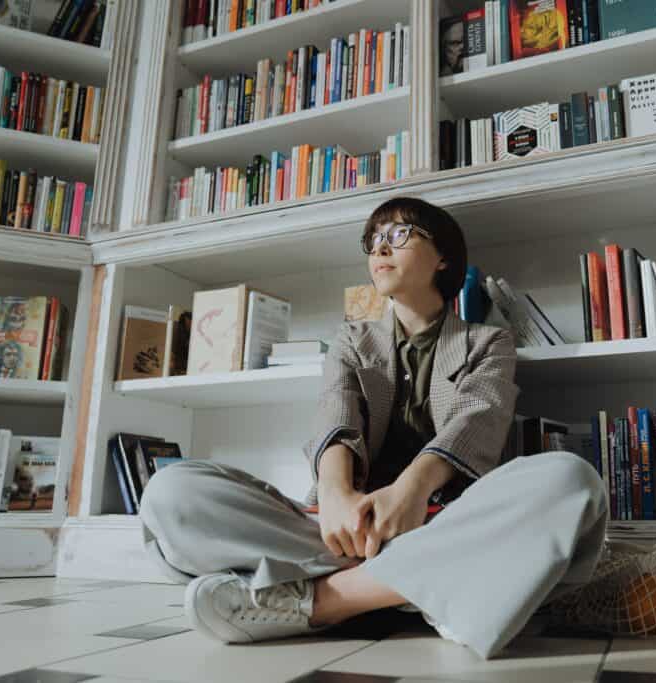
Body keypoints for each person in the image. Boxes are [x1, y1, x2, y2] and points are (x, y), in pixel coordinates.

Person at [138, 196, 608, 660]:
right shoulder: (351, 339)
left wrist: (409, 493)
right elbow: (335, 413)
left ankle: (322, 601)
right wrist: (337, 494)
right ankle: (427, 588)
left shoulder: (488, 342)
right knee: (171, 493)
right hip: (345, 530)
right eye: (374, 239)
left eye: (398, 235)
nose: (380, 249)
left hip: (445, 521)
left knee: (571, 481)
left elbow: (477, 421)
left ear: (444, 258)